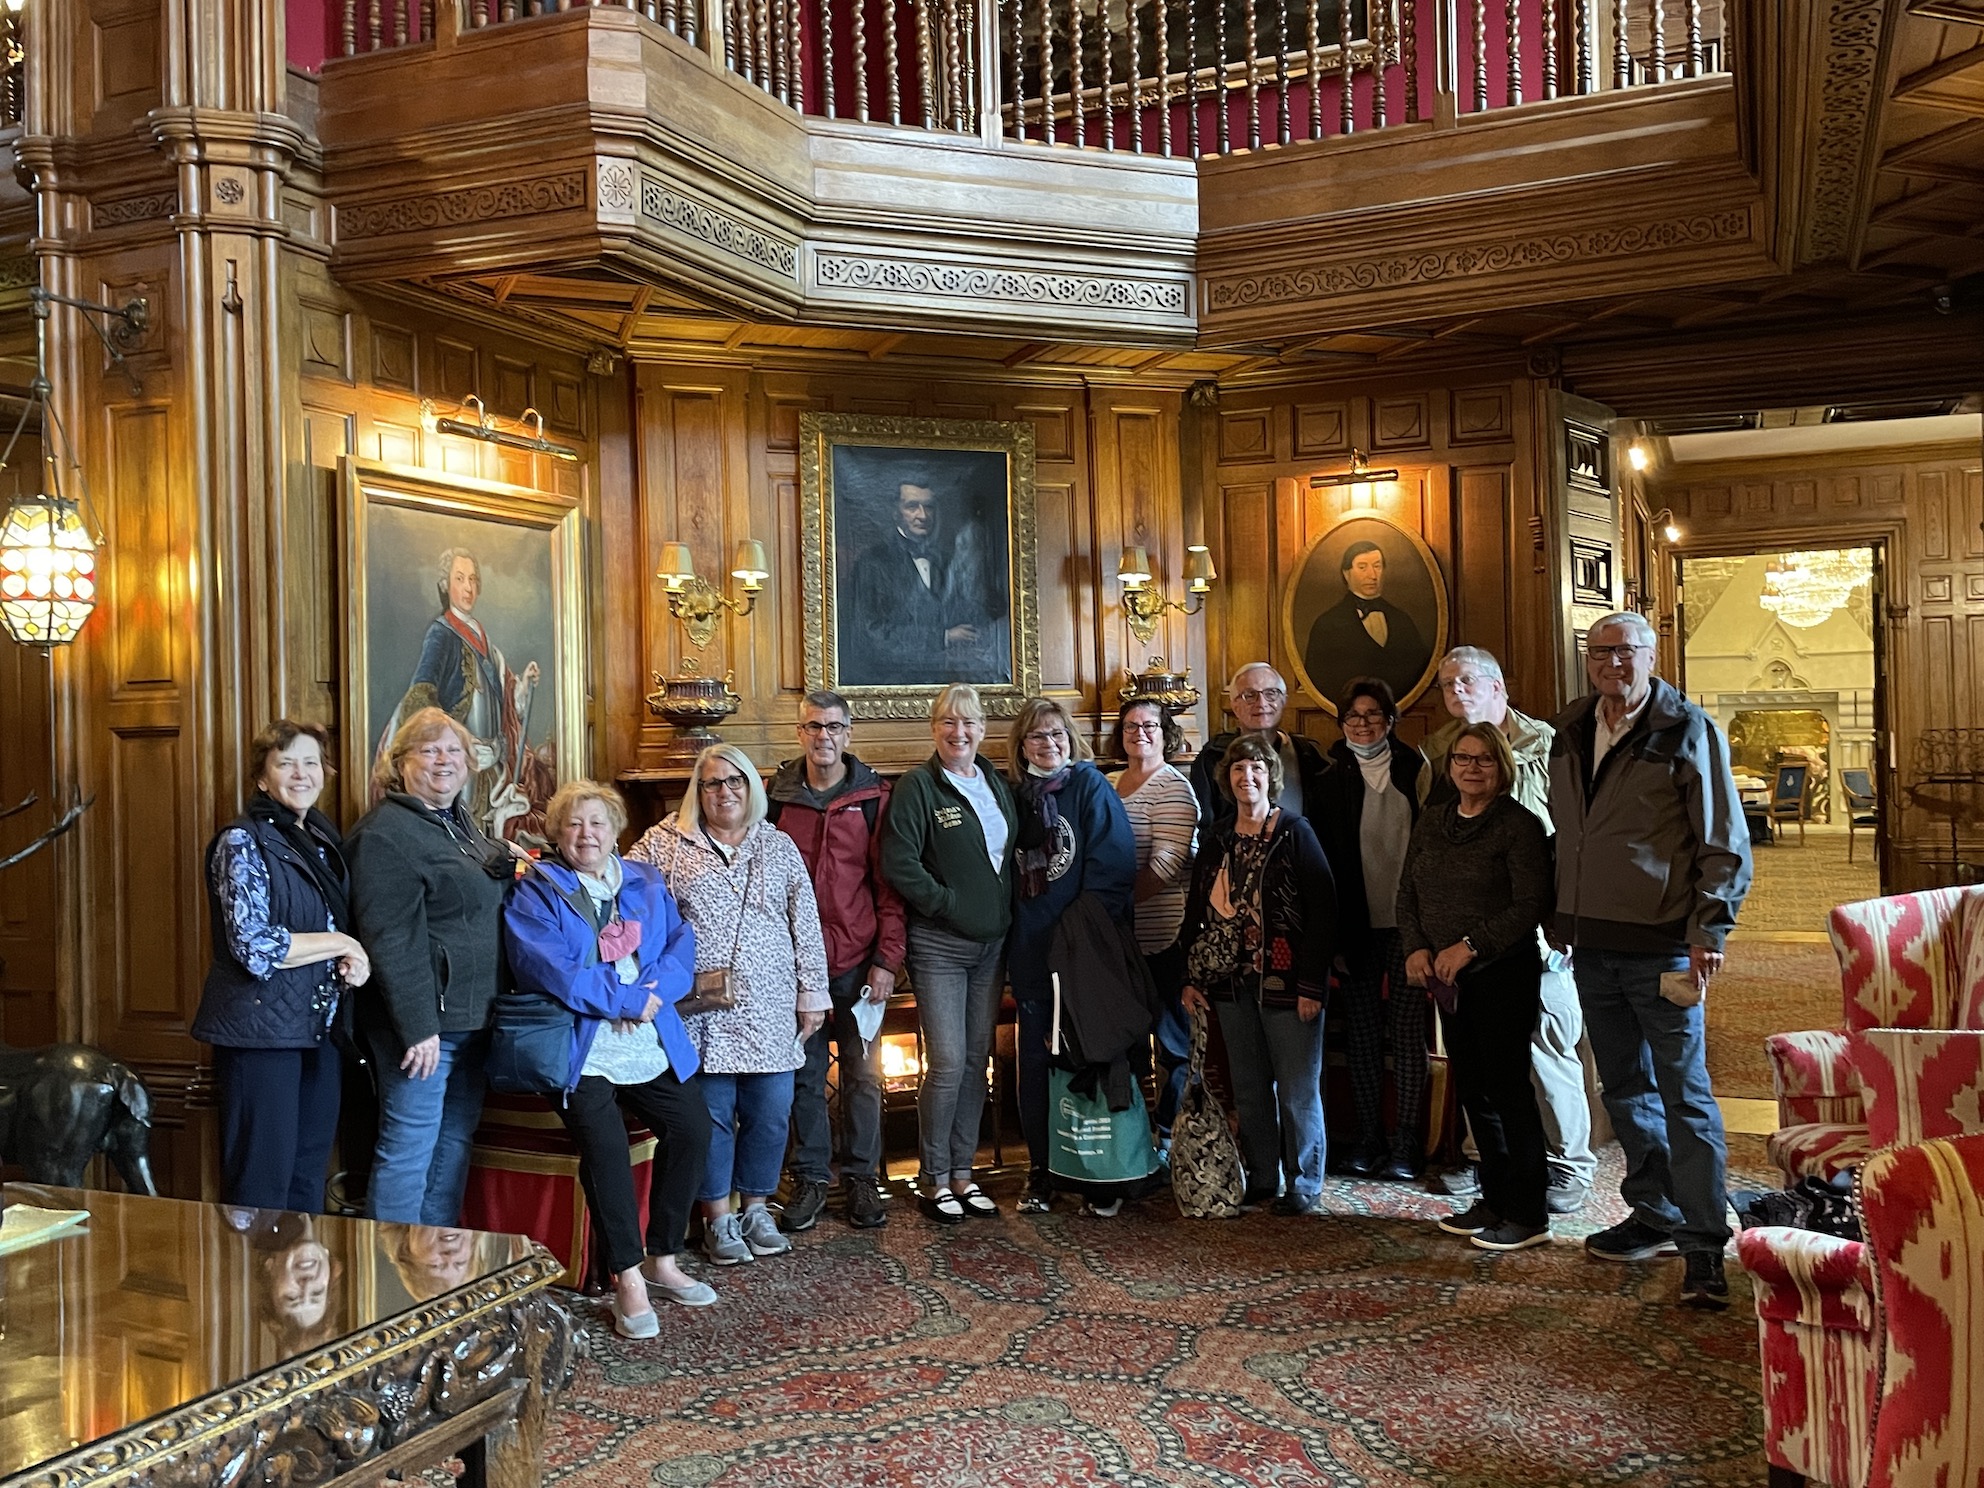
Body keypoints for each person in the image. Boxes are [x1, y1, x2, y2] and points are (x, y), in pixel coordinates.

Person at [1551, 610, 1752, 1310]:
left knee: (1685, 1095)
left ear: (1651, 655)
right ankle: (1655, 1211)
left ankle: (1703, 1245)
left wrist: (1710, 931)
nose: (1613, 663)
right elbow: (1569, 835)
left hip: (1666, 947)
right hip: (1593, 946)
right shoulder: (1572, 728)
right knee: (1624, 1090)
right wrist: (1563, 917)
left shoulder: (1685, 730)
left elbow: (1723, 842)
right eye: (1600, 651)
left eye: (1626, 651)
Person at [503, 781, 716, 1340]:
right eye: (573, 825)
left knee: (693, 1126)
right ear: (557, 835)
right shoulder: (539, 891)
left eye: (596, 823)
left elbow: (680, 946)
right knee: (606, 1146)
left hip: (647, 1035)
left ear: (615, 830)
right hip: (582, 1044)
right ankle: (628, 1277)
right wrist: (622, 998)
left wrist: (651, 994)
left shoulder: (645, 880)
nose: (586, 834)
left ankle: (663, 1258)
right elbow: (545, 968)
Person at [628, 745, 829, 1268]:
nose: (725, 792)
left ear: (752, 787)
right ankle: (719, 1217)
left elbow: (804, 924)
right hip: (701, 1008)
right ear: (699, 790)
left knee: (770, 1112)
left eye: (735, 781)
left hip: (771, 1005)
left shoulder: (778, 846)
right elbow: (620, 889)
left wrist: (813, 993)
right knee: (713, 1115)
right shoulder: (664, 844)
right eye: (713, 783)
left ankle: (757, 1209)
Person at [1422, 646, 1598, 1215]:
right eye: (1447, 685)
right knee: (1481, 1062)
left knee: (1546, 1047)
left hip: (1536, 927)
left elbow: (1569, 837)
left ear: (1498, 686)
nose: (1456, 693)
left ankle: (1570, 1164)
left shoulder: (1549, 746)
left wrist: (1566, 920)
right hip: (1467, 938)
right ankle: (1490, 1166)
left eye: (1467, 682)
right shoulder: (1442, 750)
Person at [348, 707, 519, 1226]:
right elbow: (391, 941)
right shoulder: (385, 835)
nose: (444, 760)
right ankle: (391, 1275)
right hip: (424, 1031)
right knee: (408, 1148)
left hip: (474, 1018)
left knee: (452, 1143)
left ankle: (437, 1268)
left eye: (454, 751)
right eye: (429, 750)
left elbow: (481, 876)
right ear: (400, 764)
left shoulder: (458, 823)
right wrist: (418, 1028)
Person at [194, 719, 371, 1214]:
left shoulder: (318, 839)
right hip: (261, 1035)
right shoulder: (241, 841)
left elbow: (330, 926)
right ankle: (252, 1292)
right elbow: (253, 945)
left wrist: (348, 959)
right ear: (261, 778)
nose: (301, 773)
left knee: (305, 1182)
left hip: (320, 1030)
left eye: (310, 762)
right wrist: (341, 941)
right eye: (285, 762)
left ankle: (302, 1294)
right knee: (261, 1184)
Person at [1398, 722, 1555, 1252]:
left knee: (1508, 1090)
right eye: (1462, 759)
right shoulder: (1433, 821)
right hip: (1446, 979)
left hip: (1501, 974)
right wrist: (1415, 946)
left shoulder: (1519, 825)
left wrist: (1469, 945)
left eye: (1483, 760)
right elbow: (1407, 889)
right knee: (1473, 1090)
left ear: (1502, 767)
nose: (1470, 767)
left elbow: (1530, 904)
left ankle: (1528, 1211)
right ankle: (1494, 1197)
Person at [1178, 734, 1337, 1215]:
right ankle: (1265, 1175)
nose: (1246, 778)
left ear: (1272, 778)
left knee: (1296, 1089)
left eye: (1256, 770)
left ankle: (1304, 1183)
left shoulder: (1295, 832)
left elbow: (1324, 911)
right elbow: (1194, 913)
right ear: (1227, 781)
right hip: (1229, 983)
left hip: (1291, 984)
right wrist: (1190, 977)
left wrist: (1312, 985)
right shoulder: (1218, 838)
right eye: (1237, 771)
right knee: (1248, 1086)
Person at [878, 684, 1018, 1224]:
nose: (959, 733)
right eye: (948, 723)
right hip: (939, 945)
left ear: (983, 729)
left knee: (976, 1060)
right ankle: (933, 1177)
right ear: (934, 728)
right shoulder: (918, 786)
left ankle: (965, 1172)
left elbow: (1007, 856)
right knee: (949, 1061)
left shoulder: (996, 784)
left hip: (992, 946)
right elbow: (900, 863)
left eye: (969, 724)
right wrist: (948, 903)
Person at [768, 690, 906, 1232]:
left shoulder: (875, 797)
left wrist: (886, 962)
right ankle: (811, 1178)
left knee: (863, 1077)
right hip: (794, 967)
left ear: (848, 734)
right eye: (812, 726)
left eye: (833, 726)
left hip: (858, 962)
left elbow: (890, 888)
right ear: (799, 733)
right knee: (803, 1077)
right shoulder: (775, 798)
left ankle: (862, 1178)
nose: (822, 736)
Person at [1006, 697, 1138, 1214]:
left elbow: (1114, 869)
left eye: (1058, 734)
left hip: (1084, 958)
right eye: (1038, 736)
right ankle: (1042, 1169)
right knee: (1036, 1065)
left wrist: (1076, 940)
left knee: (1091, 1059)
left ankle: (1100, 1172)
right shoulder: (1013, 797)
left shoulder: (1091, 788)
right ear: (1022, 745)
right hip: (1031, 956)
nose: (1050, 744)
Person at [1314, 679, 1428, 1181]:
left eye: (1373, 713)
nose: (1363, 723)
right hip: (1355, 928)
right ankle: (1367, 1138)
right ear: (1341, 723)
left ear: (1391, 718)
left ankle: (1405, 1142)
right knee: (1361, 1035)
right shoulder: (1327, 777)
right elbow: (1322, 868)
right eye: (1353, 715)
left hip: (1409, 926)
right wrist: (1333, 939)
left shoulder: (1415, 769)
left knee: (1405, 1035)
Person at [381, 547, 550, 843]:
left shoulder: (484, 640)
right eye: (460, 579)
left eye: (473, 579)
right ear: (446, 585)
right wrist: (456, 744)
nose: (468, 587)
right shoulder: (441, 634)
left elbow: (507, 702)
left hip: (491, 760)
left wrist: (522, 687)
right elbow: (422, 694)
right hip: (460, 761)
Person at [1107, 697, 1198, 1140]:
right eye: (1130, 726)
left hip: (1164, 937)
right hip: (1116, 941)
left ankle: (1168, 1131)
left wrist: (1115, 908)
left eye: (1149, 725)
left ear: (1166, 733)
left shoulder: (1174, 788)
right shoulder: (1106, 783)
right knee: (1124, 1043)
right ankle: (1131, 1137)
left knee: (1174, 1045)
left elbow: (1165, 866)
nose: (1139, 733)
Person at [844, 482, 1005, 687]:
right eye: (912, 506)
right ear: (895, 513)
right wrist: (943, 637)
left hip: (948, 685)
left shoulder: (947, 559)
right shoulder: (873, 562)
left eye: (928, 507)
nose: (922, 515)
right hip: (891, 685)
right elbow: (870, 635)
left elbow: (968, 612)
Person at [1187, 662, 1331, 831]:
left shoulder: (1306, 754)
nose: (1261, 703)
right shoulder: (1213, 757)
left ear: (1284, 700)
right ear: (1234, 704)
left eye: (1271, 693)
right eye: (1250, 695)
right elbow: (1205, 825)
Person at [1303, 539, 1431, 706]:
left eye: (1377, 566)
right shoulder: (1327, 624)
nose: (1372, 575)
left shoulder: (1402, 620)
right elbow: (1318, 679)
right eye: (1362, 567)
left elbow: (1420, 671)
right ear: (1346, 573)